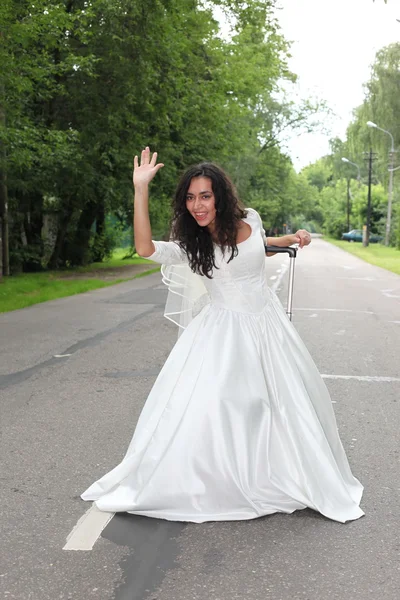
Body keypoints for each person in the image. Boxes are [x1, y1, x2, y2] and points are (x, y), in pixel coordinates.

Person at [81, 147, 364, 523]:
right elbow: (144, 249)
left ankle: (279, 472)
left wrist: (290, 239)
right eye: (191, 198)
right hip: (223, 335)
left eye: (205, 196)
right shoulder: (190, 246)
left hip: (267, 326)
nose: (198, 205)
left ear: (221, 196)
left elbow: (255, 248)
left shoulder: (251, 219)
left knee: (279, 405)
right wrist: (140, 189)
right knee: (225, 406)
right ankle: (220, 478)